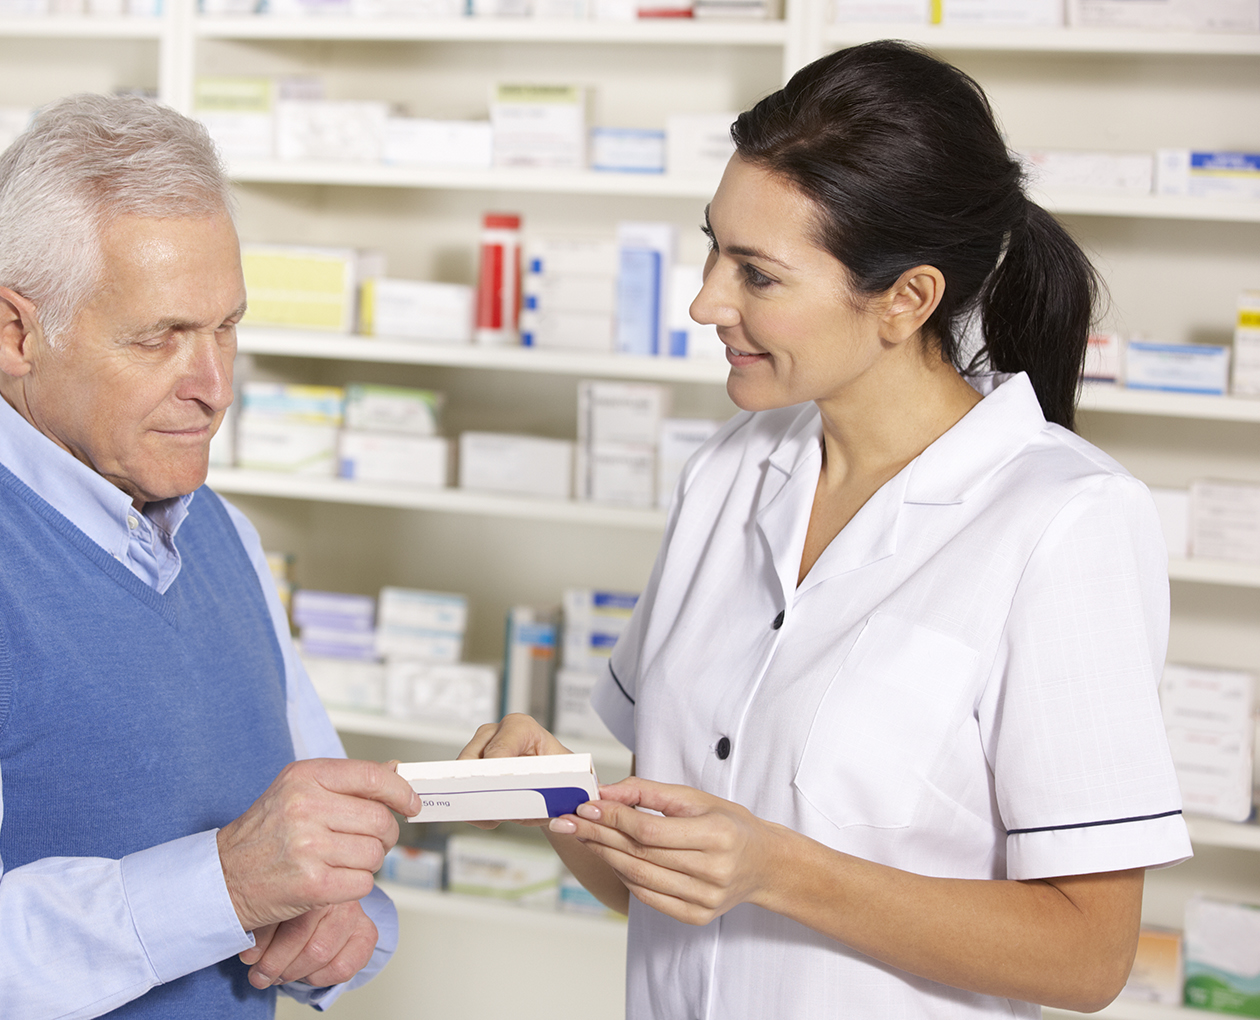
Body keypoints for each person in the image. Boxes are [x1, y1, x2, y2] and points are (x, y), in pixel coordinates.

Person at [461, 41, 1192, 1020]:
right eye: (714, 246)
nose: (706, 301)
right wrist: (557, 801)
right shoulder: (728, 475)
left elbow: (1088, 957)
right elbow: (672, 889)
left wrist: (779, 869)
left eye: (758, 276)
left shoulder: (1064, 520)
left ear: (907, 299)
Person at [0, 93, 420, 1020]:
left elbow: (309, 851)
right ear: (16, 333)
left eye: (226, 328)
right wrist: (224, 884)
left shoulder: (224, 536)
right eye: (160, 338)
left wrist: (338, 920)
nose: (214, 387)